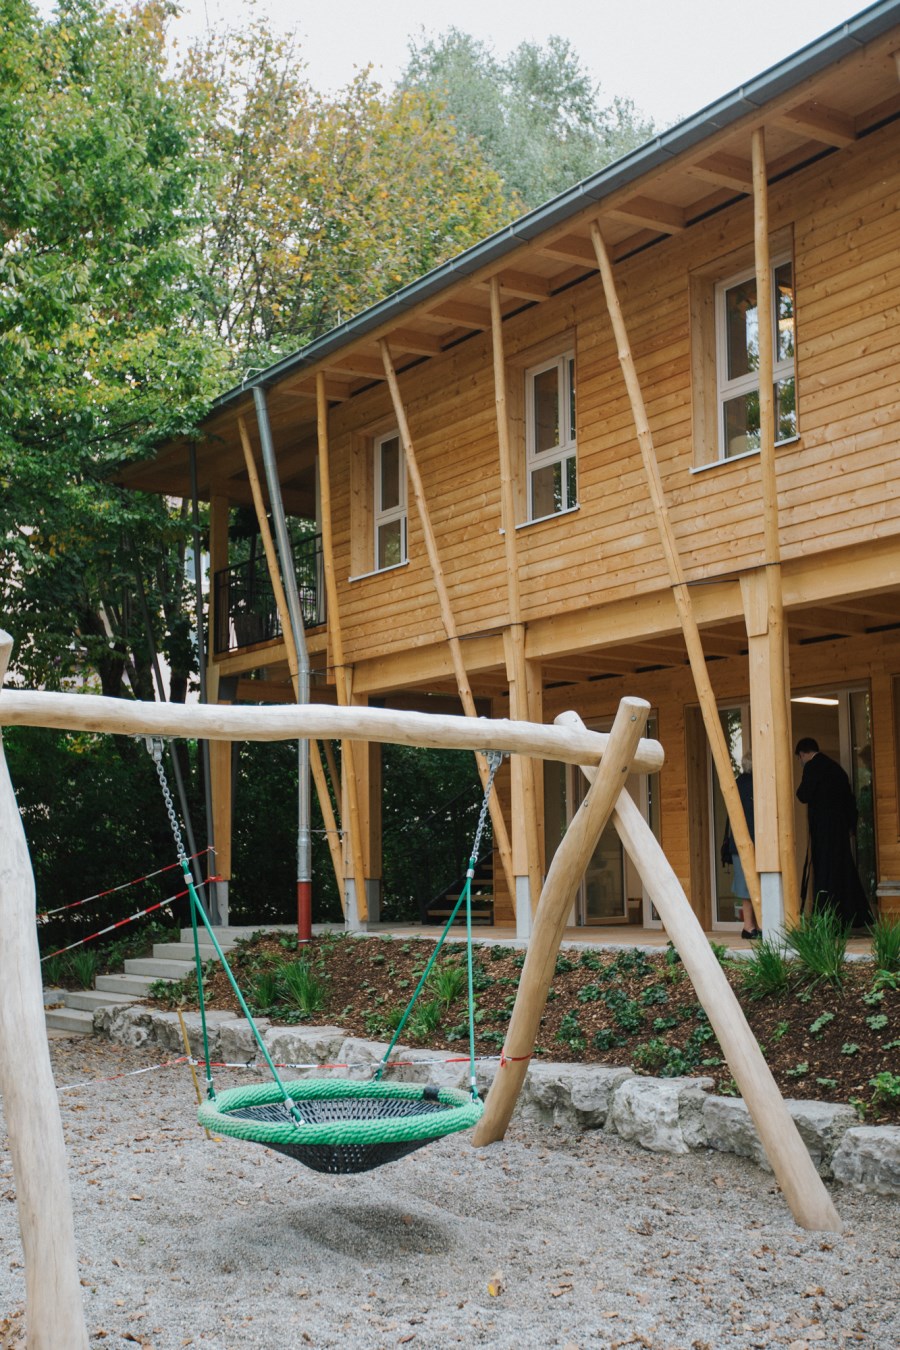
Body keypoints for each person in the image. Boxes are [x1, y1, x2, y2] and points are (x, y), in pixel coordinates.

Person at [795, 737, 871, 928]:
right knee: (844, 870)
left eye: (800, 759)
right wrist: (851, 826)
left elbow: (803, 795)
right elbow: (849, 800)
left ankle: (826, 920)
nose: (801, 762)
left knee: (824, 873)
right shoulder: (837, 769)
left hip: (822, 829)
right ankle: (855, 915)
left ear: (803, 754)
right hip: (840, 829)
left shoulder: (812, 767)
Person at [721, 753, 759, 940]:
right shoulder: (756, 784)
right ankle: (753, 926)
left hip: (738, 843)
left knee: (745, 887)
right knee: (756, 885)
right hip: (756, 842)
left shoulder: (737, 784)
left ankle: (749, 926)